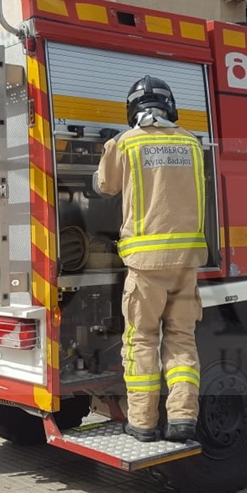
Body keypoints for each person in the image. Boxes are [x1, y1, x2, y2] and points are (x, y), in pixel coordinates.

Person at [92, 75, 208, 443]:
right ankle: (182, 420)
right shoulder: (191, 143)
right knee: (181, 339)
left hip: (145, 266)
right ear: (171, 107)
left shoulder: (124, 144)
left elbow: (103, 186)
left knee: (142, 340)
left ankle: (142, 423)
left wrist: (107, 148)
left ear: (132, 110)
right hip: (186, 262)